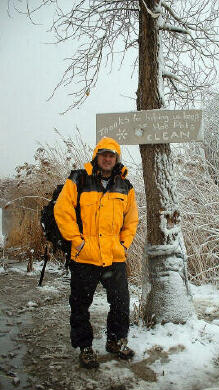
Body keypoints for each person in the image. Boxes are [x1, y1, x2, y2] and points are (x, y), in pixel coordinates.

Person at [54, 137, 139, 368]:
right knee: (80, 304)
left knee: (121, 303)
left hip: (114, 255)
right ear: (96, 156)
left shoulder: (125, 186)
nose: (108, 159)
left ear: (116, 159)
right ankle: (85, 347)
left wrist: (123, 245)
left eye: (112, 155)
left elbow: (131, 221)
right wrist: (76, 241)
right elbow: (62, 211)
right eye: (104, 154)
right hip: (85, 256)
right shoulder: (78, 179)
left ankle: (115, 341)